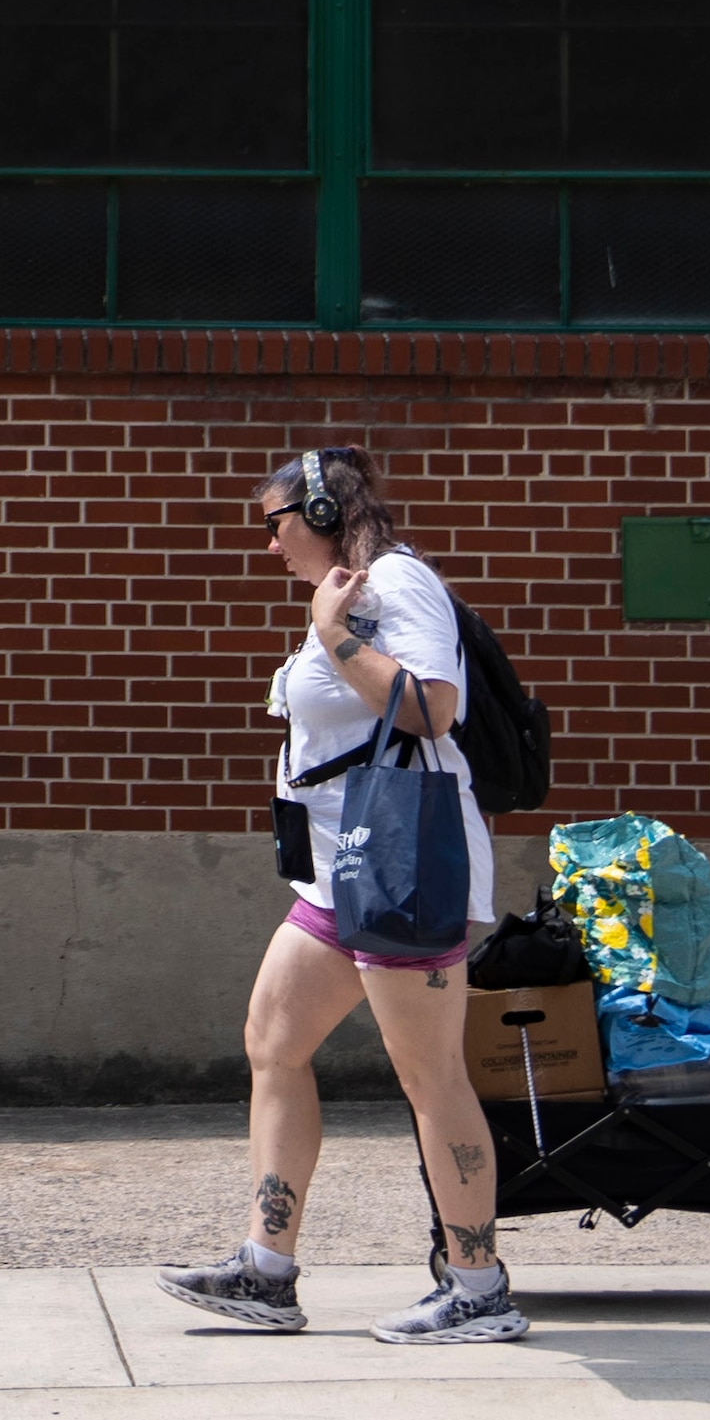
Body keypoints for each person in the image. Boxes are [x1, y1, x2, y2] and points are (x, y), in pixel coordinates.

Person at [155, 445, 524, 1346]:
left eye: (277, 522)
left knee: (429, 1077)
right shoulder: (347, 592)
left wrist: (338, 639)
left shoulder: (395, 584)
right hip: (337, 871)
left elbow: (436, 708)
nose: (271, 544)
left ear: (320, 514)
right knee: (274, 1044)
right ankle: (266, 1272)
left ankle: (479, 1289)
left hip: (404, 873)